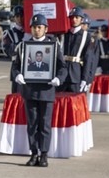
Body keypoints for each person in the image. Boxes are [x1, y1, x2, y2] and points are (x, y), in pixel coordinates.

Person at [10, 14, 67, 167]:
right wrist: (18, 76)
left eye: (39, 27)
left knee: (45, 124)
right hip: (30, 90)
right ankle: (33, 153)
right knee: (32, 124)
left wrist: (59, 79)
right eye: (34, 27)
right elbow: (15, 66)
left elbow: (62, 67)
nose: (36, 30)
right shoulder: (23, 46)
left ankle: (44, 154)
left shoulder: (54, 46)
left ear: (45, 29)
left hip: (47, 90)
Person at [61, 7, 97, 92]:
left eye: (77, 17)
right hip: (62, 75)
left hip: (76, 75)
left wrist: (85, 79)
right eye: (72, 17)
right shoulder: (63, 34)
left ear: (81, 19)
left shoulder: (87, 36)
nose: (74, 19)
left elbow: (88, 59)